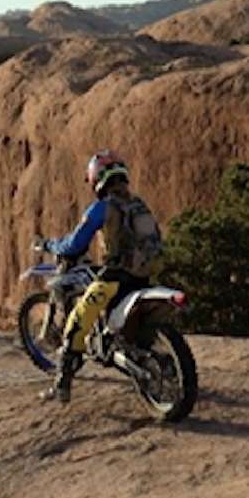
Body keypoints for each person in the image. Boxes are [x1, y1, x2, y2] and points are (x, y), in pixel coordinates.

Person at [40, 150, 162, 402]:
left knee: (77, 321)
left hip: (115, 279)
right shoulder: (138, 204)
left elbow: (75, 243)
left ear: (97, 178)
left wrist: (51, 245)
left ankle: (62, 383)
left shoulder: (102, 208)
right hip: (143, 279)